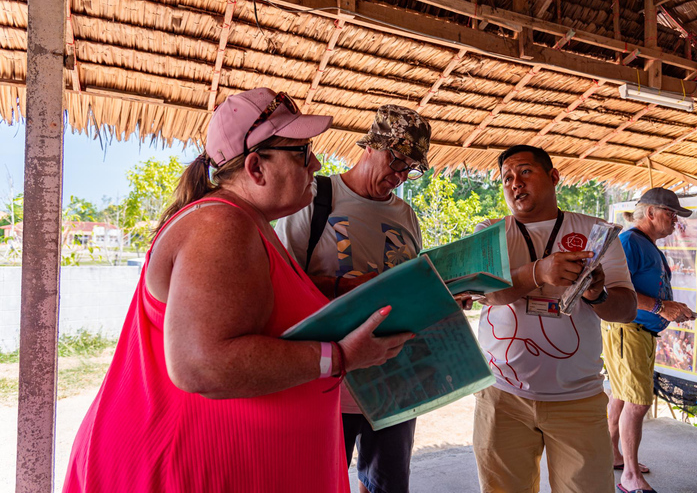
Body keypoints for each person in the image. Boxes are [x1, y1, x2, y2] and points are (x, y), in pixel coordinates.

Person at [63, 88, 414, 493]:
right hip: (184, 469)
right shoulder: (220, 224)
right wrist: (339, 357)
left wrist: (344, 295)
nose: (316, 164)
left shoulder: (247, 223)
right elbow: (203, 364)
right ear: (256, 167)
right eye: (303, 154)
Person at [276, 104, 430, 493]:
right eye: (395, 160)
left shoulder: (406, 215)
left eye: (410, 168)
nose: (400, 175)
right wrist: (338, 289)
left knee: (388, 486)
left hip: (394, 384)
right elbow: (276, 285)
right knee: (316, 482)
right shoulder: (315, 198)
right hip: (328, 381)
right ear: (370, 146)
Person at [471, 144, 638, 493]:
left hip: (578, 398)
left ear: (553, 176)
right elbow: (490, 294)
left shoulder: (596, 232)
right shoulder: (490, 231)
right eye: (507, 178)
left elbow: (626, 310)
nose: (515, 183)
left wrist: (597, 294)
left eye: (525, 172)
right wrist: (539, 272)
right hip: (502, 398)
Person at [603, 187, 694, 493]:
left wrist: (673, 308)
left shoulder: (646, 244)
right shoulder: (630, 242)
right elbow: (614, 289)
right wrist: (659, 307)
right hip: (628, 330)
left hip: (638, 332)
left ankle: (613, 455)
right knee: (639, 402)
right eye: (672, 214)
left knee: (622, 394)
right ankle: (629, 476)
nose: (675, 222)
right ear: (651, 212)